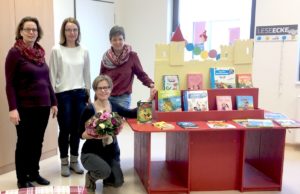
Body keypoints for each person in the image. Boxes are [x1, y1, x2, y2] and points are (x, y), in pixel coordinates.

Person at [5, 16, 58, 188]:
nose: (31, 32)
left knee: (37, 142)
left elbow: (47, 81)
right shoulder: (15, 53)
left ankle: (34, 173)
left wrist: (54, 102)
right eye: (27, 29)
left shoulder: (39, 53)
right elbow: (10, 83)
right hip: (24, 108)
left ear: (38, 33)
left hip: (43, 106)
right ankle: (22, 178)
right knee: (24, 143)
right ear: (20, 32)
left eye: (34, 29)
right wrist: (12, 108)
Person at [79, 75, 156, 192]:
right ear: (95, 90)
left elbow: (131, 113)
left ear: (110, 89)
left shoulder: (114, 106)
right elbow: (79, 134)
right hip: (91, 152)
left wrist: (150, 98)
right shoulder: (89, 109)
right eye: (100, 88)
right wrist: (94, 134)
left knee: (118, 182)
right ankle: (91, 177)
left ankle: (106, 173)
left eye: (106, 87)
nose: (103, 90)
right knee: (104, 171)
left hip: (110, 152)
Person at [49, 17, 91, 177]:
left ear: (78, 31)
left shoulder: (84, 50)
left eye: (74, 29)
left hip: (80, 94)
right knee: (65, 129)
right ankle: (64, 162)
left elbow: (86, 73)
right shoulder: (56, 50)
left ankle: (74, 160)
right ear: (63, 32)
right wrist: (52, 100)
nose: (71, 32)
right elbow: (51, 76)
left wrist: (88, 94)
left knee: (77, 129)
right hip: (62, 95)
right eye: (68, 29)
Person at [100, 25, 155, 108]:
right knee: (107, 120)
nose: (117, 42)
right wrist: (97, 97)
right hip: (107, 97)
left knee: (119, 120)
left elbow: (141, 74)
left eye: (120, 39)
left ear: (124, 39)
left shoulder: (132, 56)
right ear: (110, 41)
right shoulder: (106, 58)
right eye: (114, 39)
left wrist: (151, 84)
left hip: (123, 98)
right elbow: (101, 79)